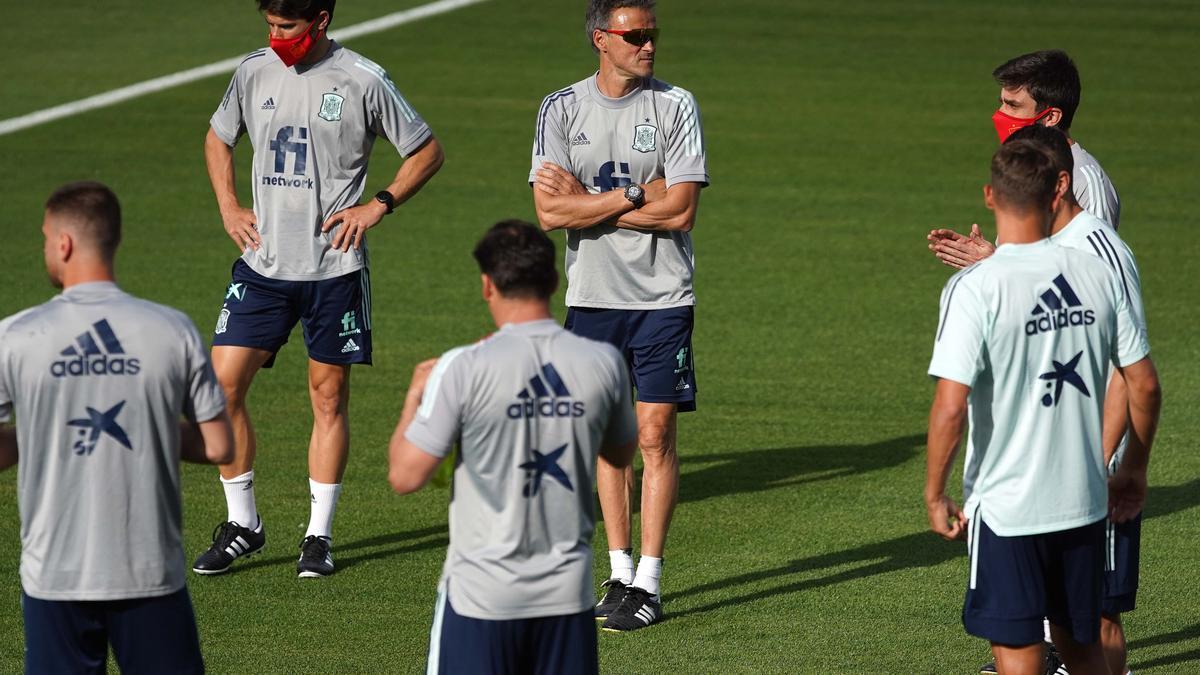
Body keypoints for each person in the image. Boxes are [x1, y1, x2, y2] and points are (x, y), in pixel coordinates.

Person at [194, 0, 444, 578]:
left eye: (287, 27)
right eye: (271, 25)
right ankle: (244, 525)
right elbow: (216, 138)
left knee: (328, 396)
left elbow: (427, 150)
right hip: (262, 266)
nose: (275, 36)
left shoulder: (363, 79)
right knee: (220, 390)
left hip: (333, 270)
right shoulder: (253, 70)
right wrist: (229, 205)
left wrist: (379, 204)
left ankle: (318, 536)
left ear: (322, 20)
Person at [924, 140, 1161, 674]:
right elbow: (1143, 385)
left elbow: (949, 408)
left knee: (1019, 653)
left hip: (1008, 508)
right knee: (1081, 647)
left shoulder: (974, 287)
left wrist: (935, 492)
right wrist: (1133, 471)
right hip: (1081, 503)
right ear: (1056, 193)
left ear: (990, 196)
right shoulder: (1097, 271)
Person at [0, 182, 234, 673]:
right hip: (149, 572)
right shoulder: (171, 329)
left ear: (63, 243)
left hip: (56, 575)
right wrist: (148, 428)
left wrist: (43, 432)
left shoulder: (16, 336)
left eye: (45, 238)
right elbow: (218, 444)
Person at [387, 220, 638, 674]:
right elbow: (620, 457)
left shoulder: (461, 368)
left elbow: (406, 476)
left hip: (480, 599)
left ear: (487, 285)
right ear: (555, 281)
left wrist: (413, 398)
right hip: (566, 599)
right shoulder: (604, 364)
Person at [528, 0, 708, 631]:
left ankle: (651, 583)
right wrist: (637, 194)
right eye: (636, 35)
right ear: (602, 39)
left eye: (653, 34)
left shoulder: (676, 106)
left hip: (663, 299)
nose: (649, 45)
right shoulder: (560, 108)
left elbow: (681, 211)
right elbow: (549, 215)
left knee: (655, 434)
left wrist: (593, 202)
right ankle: (620, 570)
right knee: (612, 440)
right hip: (594, 299)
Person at [930, 49, 1122, 271]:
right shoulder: (1022, 166)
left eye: (1013, 105)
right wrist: (994, 261)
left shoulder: (1087, 183)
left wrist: (994, 264)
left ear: (1051, 117)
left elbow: (1093, 281)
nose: (1000, 114)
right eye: (1002, 102)